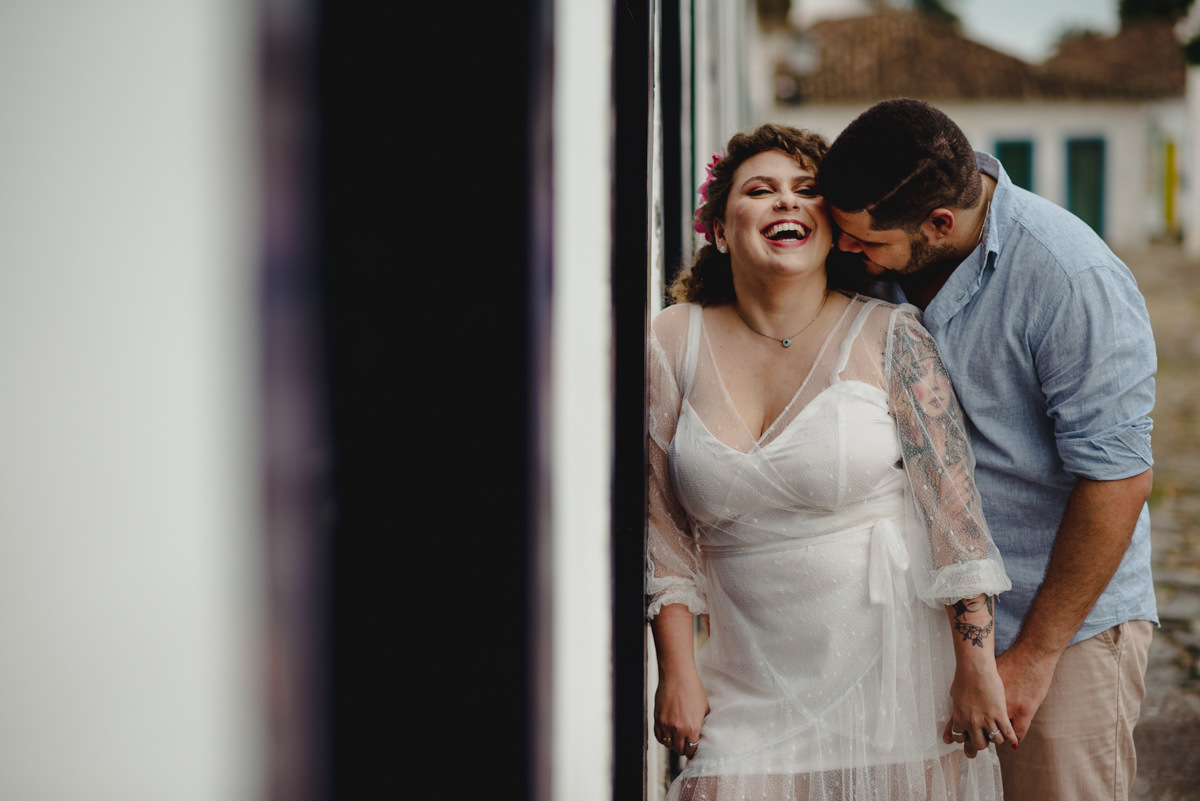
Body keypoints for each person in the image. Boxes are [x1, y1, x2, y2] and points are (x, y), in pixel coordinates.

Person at [647, 123, 1013, 801]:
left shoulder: (891, 335)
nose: (786, 202)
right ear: (722, 230)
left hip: (892, 680)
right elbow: (663, 532)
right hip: (743, 688)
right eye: (760, 190)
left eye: (805, 191)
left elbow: (954, 513)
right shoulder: (672, 340)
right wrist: (675, 669)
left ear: (832, 226)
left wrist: (976, 664)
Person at [819, 98, 1157, 801]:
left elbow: (1117, 482)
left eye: (863, 241)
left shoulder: (1072, 281)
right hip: (909, 623)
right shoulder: (882, 241)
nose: (845, 251)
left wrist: (1033, 658)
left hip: (1057, 622)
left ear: (940, 223)